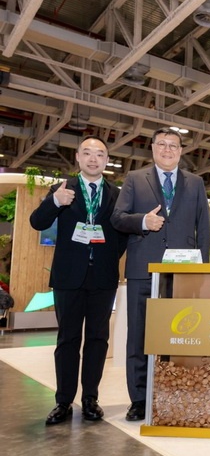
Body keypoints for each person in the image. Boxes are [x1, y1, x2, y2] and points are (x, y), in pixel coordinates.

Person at [111, 127, 210, 421]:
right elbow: (118, 218)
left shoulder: (195, 183)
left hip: (182, 272)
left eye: (173, 145)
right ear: (153, 148)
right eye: (162, 144)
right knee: (139, 336)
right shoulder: (134, 179)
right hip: (143, 268)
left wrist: (202, 268)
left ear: (181, 151)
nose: (168, 150)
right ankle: (139, 399)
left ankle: (171, 394)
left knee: (179, 335)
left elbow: (204, 228)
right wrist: (143, 221)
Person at [30, 135, 127, 425]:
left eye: (99, 154)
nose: (93, 158)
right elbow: (38, 222)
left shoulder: (117, 194)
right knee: (68, 339)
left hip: (103, 278)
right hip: (68, 277)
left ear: (107, 160)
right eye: (87, 153)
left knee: (98, 339)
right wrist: (54, 202)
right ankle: (63, 402)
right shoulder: (62, 189)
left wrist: (106, 257)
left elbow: (122, 235)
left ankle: (90, 399)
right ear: (77, 157)